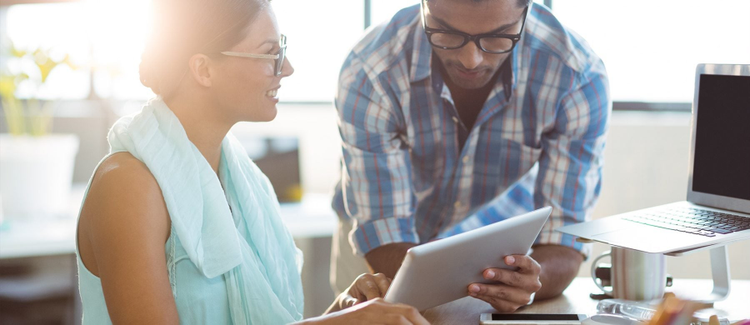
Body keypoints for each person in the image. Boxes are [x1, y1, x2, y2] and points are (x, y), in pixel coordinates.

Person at [74, 0, 429, 324]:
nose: (287, 68)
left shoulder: (246, 181)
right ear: (204, 69)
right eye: (270, 53)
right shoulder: (128, 184)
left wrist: (345, 310)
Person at [331, 0, 611, 312]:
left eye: (498, 37)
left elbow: (564, 238)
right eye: (446, 32)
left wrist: (530, 281)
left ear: (527, 10)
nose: (471, 60)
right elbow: (384, 230)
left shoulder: (577, 77)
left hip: (489, 244)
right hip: (377, 241)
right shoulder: (371, 70)